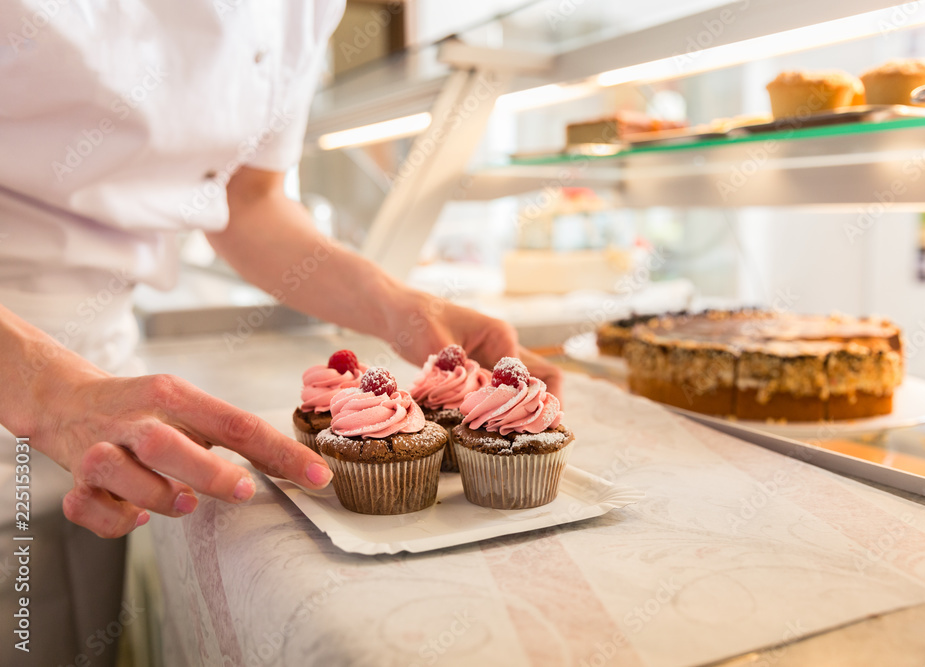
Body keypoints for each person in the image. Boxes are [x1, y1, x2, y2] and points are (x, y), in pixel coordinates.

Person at [0, 1, 561, 665]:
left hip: (106, 381)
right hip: (31, 368)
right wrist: (45, 386)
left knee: (68, 639)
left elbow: (248, 202)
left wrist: (396, 305)